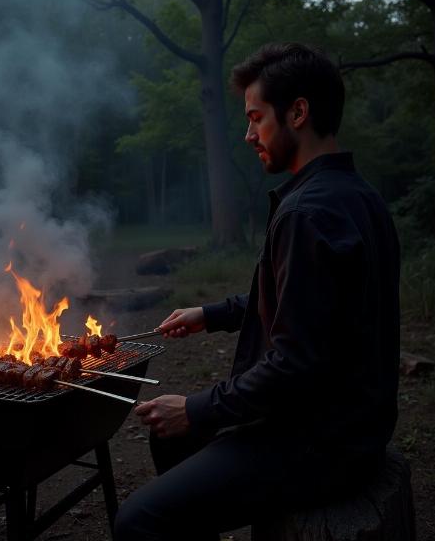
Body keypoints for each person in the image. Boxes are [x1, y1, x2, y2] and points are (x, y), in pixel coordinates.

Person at [113, 42, 400, 541]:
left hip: (321, 441)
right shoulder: (358, 196)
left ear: (298, 112)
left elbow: (294, 365)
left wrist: (198, 407)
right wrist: (213, 312)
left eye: (255, 117)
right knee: (172, 442)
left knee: (138, 520)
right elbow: (316, 307)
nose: (248, 134)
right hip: (355, 421)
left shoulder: (306, 213)